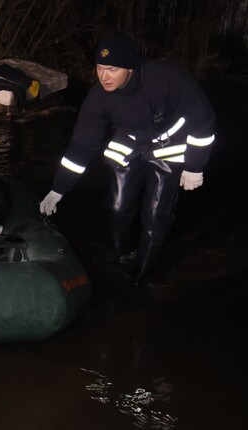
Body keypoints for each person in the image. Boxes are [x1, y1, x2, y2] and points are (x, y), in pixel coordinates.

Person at [39, 32, 215, 284]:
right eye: (100, 68)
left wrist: (195, 166)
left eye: (112, 69)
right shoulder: (99, 96)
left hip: (169, 144)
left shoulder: (167, 77)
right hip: (131, 144)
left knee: (155, 215)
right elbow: (82, 144)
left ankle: (142, 273)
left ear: (130, 69)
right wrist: (59, 188)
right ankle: (123, 254)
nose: (104, 76)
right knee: (117, 206)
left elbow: (203, 116)